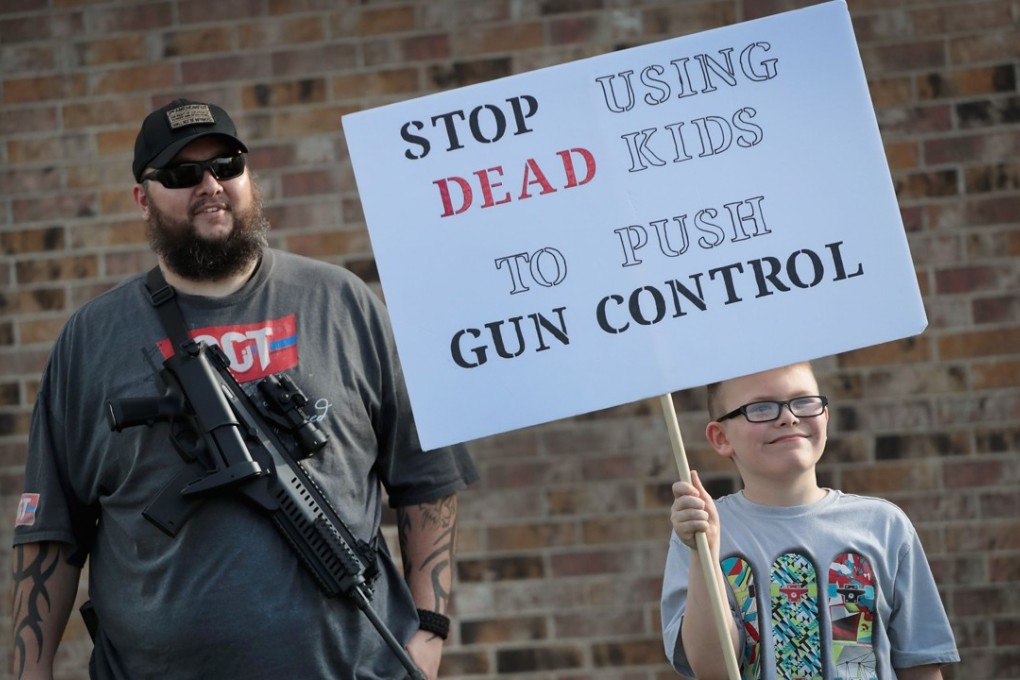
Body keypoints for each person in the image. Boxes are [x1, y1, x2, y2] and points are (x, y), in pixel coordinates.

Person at [10, 98, 478, 680]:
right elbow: (52, 530)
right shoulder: (93, 338)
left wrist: (429, 634)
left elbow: (427, 478)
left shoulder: (343, 302)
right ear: (142, 199)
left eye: (226, 164)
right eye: (182, 174)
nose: (210, 184)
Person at [661, 362, 958, 679]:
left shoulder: (885, 526)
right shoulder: (699, 531)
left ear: (825, 417)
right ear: (721, 437)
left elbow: (921, 666)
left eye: (803, 401)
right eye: (760, 408)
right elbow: (713, 670)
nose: (789, 417)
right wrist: (703, 548)